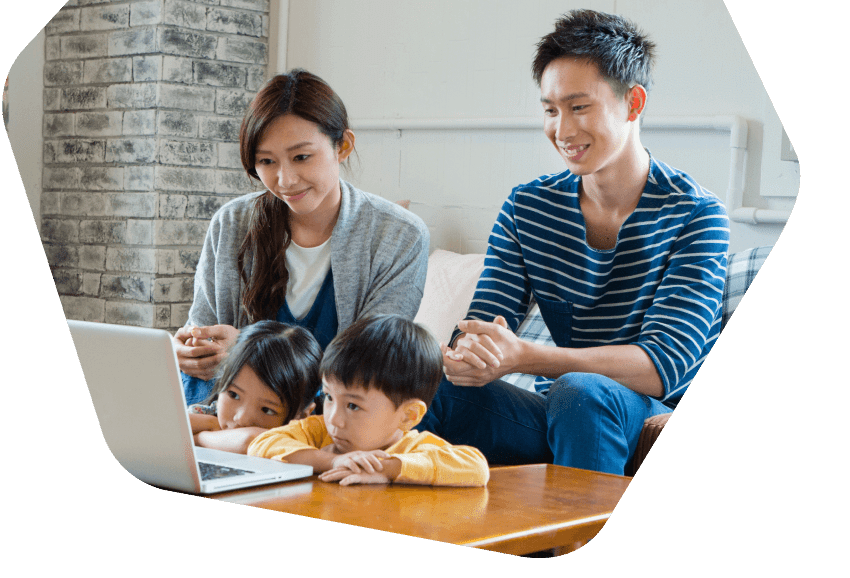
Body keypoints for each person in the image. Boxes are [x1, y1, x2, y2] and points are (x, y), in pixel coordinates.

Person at [418, 9, 730, 475]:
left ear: (634, 102)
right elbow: (479, 324)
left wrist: (524, 356)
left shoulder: (697, 215)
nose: (562, 131)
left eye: (579, 107)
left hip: (647, 416)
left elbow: (662, 366)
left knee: (582, 392)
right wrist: (467, 354)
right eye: (550, 110)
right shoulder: (529, 207)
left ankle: (578, 545)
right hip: (563, 415)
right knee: (421, 389)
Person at [173, 69, 430, 406]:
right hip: (232, 404)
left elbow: (369, 365)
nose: (285, 179)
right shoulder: (231, 223)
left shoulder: (399, 235)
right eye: (267, 161)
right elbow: (203, 328)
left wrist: (248, 350)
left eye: (301, 157)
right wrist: (190, 350)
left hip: (331, 412)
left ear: (343, 146)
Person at [247, 315, 490, 487]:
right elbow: (261, 443)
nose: (334, 419)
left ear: (408, 415)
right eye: (329, 397)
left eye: (353, 405)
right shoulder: (318, 432)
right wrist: (331, 460)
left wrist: (387, 469)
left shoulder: (414, 448)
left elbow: (476, 467)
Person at [189, 320, 322, 454]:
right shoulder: (210, 414)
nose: (241, 419)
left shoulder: (300, 440)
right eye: (233, 395)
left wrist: (200, 438)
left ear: (302, 416)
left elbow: (249, 440)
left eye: (266, 409)